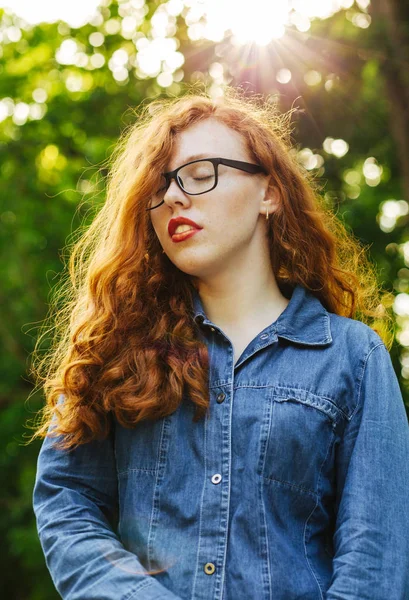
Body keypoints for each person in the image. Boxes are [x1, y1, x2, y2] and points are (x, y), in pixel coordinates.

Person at [30, 89, 409, 600]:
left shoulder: (354, 357)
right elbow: (67, 505)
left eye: (200, 173)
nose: (173, 198)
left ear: (269, 193)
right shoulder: (113, 348)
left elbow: (374, 562)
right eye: (157, 187)